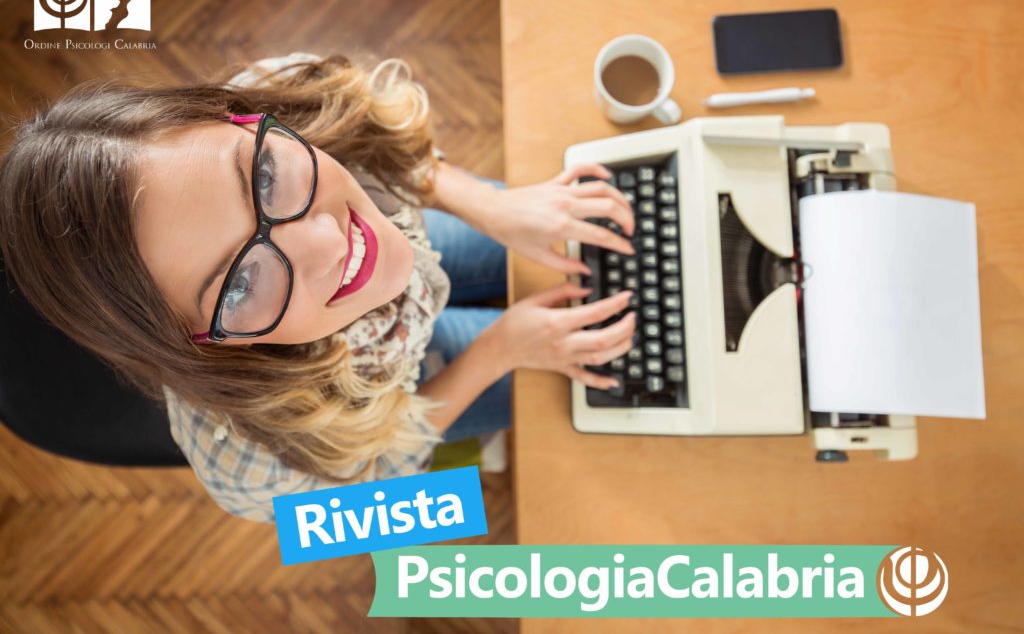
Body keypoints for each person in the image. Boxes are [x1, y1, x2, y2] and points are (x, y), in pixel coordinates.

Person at [0, 52, 637, 523]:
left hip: (423, 246)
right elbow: (386, 497)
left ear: (240, 118)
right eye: (242, 283)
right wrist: (501, 348)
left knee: (593, 235)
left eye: (264, 175)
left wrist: (486, 206)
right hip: (396, 398)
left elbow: (380, 138)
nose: (332, 244)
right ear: (203, 346)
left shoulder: (278, 90)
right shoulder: (246, 477)